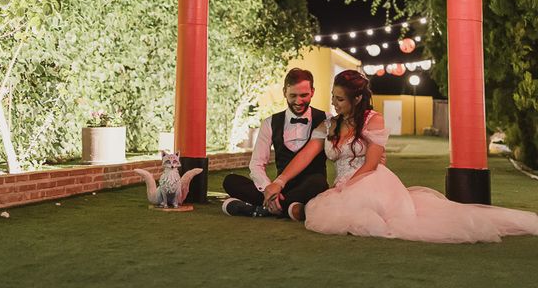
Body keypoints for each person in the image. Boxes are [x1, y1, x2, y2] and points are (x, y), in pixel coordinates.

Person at [264, 69, 538, 243]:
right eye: (333, 98)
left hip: (371, 180)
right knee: (326, 213)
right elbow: (307, 153)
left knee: (378, 221)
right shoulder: (331, 124)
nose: (333, 104)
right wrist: (280, 181)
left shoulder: (374, 120)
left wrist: (345, 187)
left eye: (340, 99)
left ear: (357, 99)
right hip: (343, 185)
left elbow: (371, 163)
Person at [222, 68, 330, 219]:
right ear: (284, 92)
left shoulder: (327, 120)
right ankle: (286, 208)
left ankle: (260, 208)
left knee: (318, 182)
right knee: (231, 181)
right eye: (293, 95)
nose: (298, 101)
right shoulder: (269, 123)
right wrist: (269, 189)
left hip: (309, 187)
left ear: (312, 92)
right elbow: (257, 164)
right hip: (280, 188)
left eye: (304, 95)